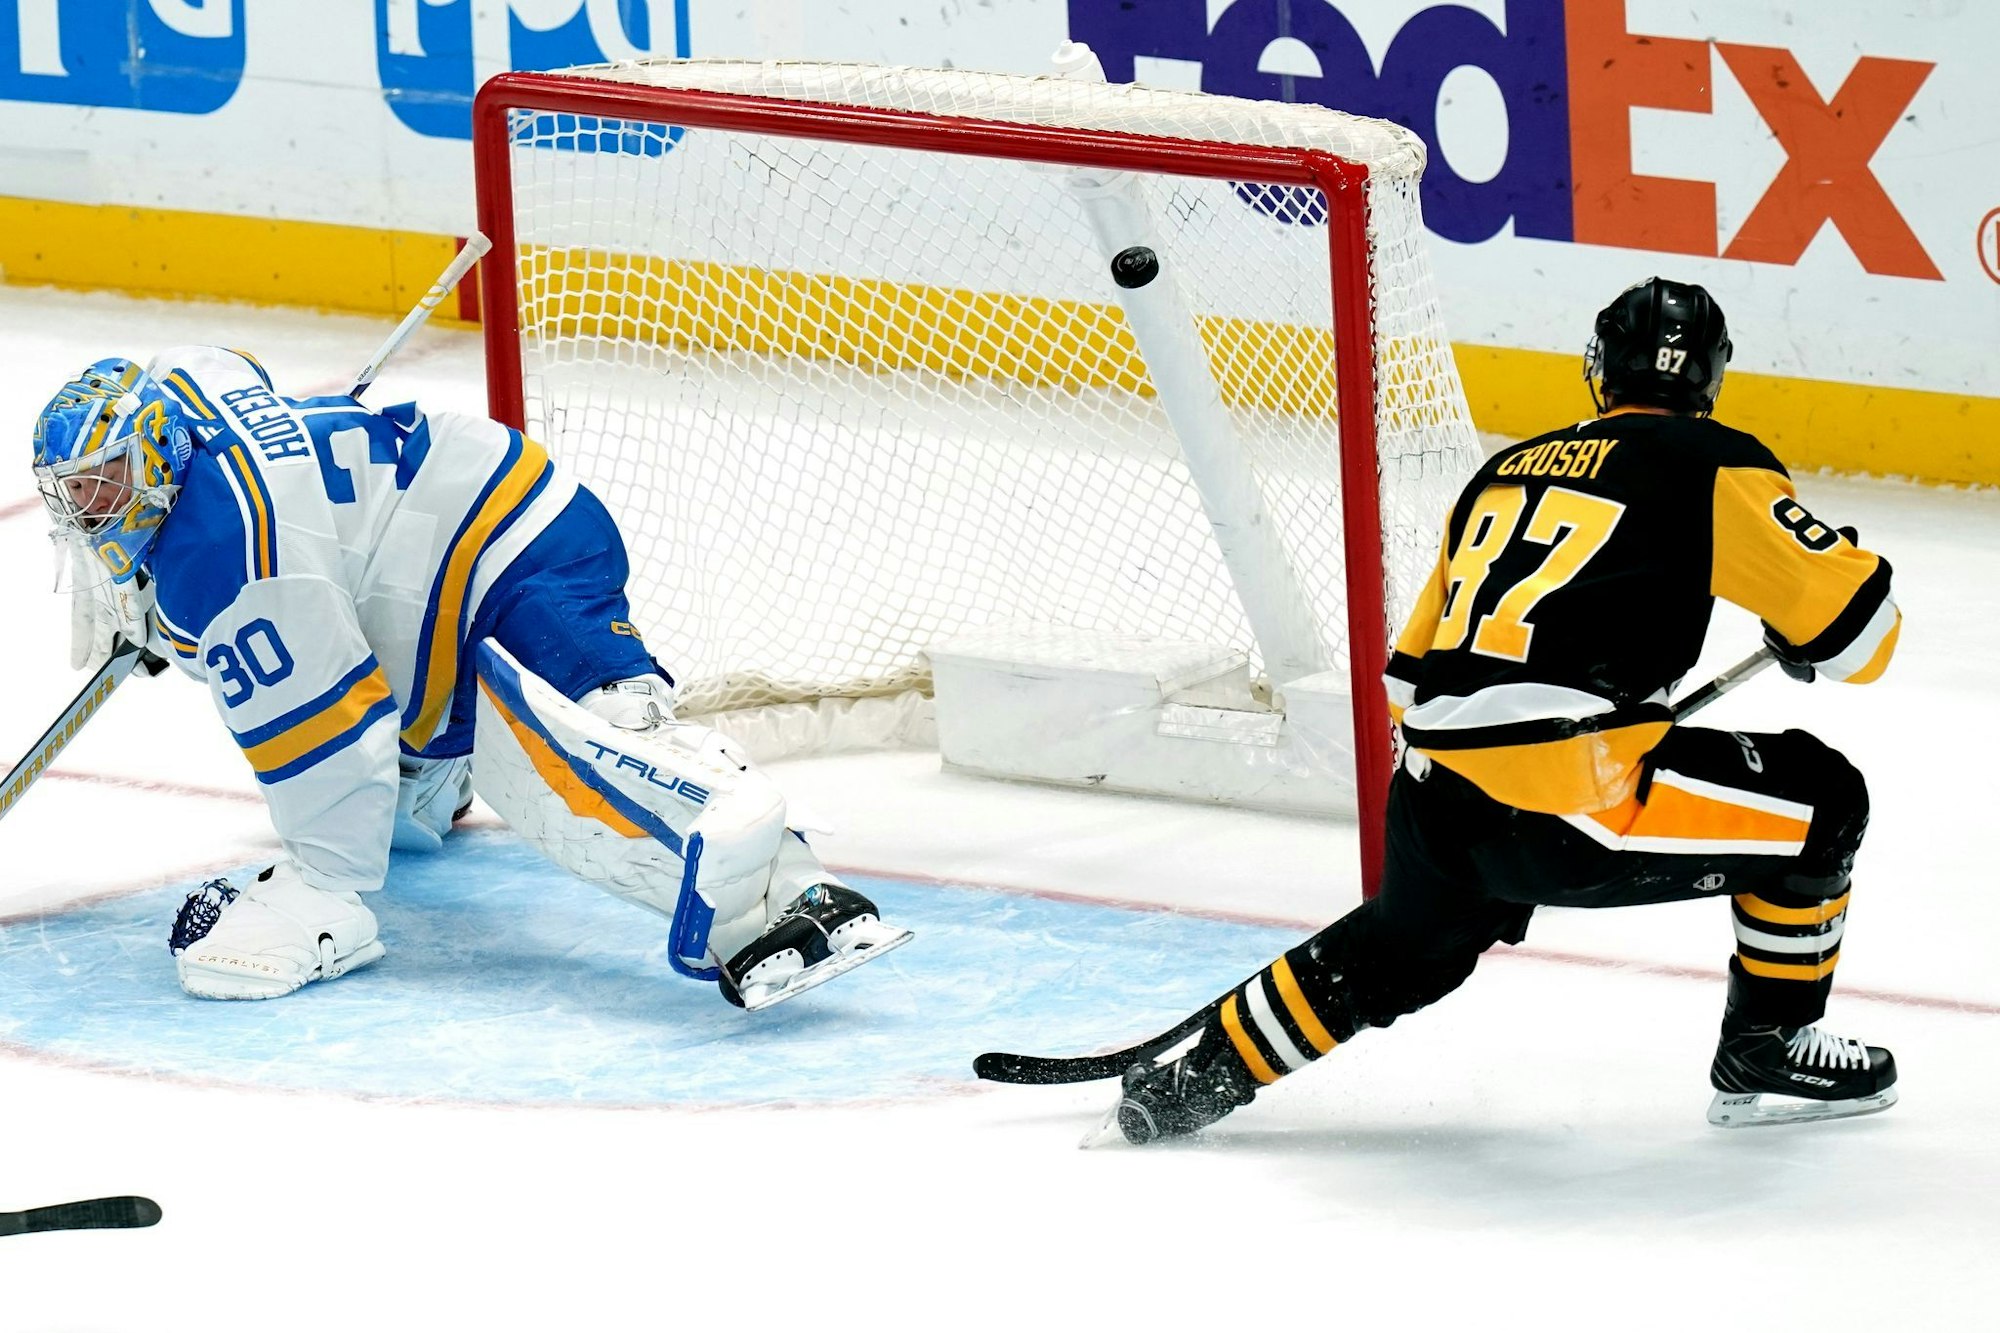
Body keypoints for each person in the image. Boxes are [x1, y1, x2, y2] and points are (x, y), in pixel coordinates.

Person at [1098, 278, 1901, 1142]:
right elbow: (1862, 642)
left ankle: (1194, 1078)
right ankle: (1767, 1045)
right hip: (1570, 810)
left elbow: (1407, 674)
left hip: (1432, 795)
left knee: (1403, 952)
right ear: (1711, 377)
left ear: (1600, 366)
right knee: (1825, 795)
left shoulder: (1503, 470)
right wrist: (1803, 623)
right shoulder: (1713, 462)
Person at [30, 347, 910, 1008]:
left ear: (153, 455)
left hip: (501, 546)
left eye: (102, 489)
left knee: (572, 752)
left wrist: (324, 887)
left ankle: (783, 891)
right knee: (429, 732)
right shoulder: (181, 389)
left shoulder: (229, 559)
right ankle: (434, 774)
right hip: (450, 519)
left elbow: (327, 734)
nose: (86, 513)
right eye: (71, 495)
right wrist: (144, 590)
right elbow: (231, 364)